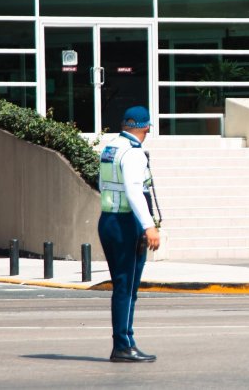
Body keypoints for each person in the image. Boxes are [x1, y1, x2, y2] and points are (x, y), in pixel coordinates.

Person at [97, 105, 161, 363]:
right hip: (126, 224)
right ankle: (122, 344)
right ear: (146, 127)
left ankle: (127, 340)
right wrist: (148, 225)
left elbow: (103, 184)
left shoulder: (111, 148)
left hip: (109, 219)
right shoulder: (134, 153)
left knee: (126, 285)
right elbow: (135, 191)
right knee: (126, 286)